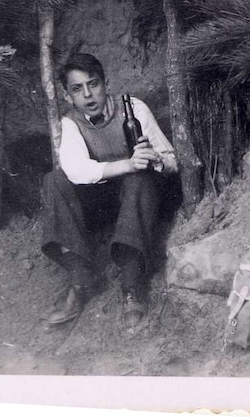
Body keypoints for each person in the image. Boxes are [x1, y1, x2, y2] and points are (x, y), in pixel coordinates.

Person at [40, 53, 177, 329]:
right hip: (104, 203)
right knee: (53, 180)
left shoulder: (133, 109)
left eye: (94, 84)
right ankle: (80, 281)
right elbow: (75, 171)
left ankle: (132, 284)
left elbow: (171, 160)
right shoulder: (71, 122)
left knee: (137, 179)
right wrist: (126, 164)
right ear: (68, 96)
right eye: (78, 89)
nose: (88, 95)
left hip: (143, 198)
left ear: (106, 83)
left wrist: (154, 159)